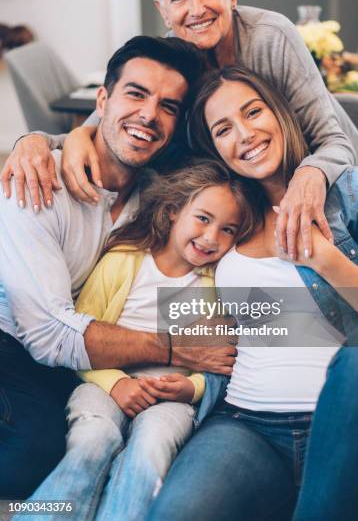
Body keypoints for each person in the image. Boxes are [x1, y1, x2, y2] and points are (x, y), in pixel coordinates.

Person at [1, 0, 358, 262]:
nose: (197, 9)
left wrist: (309, 177)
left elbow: (334, 140)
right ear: (163, 10)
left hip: (328, 173)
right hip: (251, 194)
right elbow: (108, 132)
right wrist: (35, 141)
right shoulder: (170, 61)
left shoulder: (272, 36)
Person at [147, 66, 358, 521]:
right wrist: (46, 141)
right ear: (214, 148)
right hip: (249, 425)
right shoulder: (227, 209)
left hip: (350, 423)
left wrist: (325, 260)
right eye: (224, 129)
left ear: (282, 113)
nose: (244, 134)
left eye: (253, 112)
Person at [0, 36, 237, 499]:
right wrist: (176, 349)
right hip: (12, 335)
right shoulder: (38, 183)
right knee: (29, 466)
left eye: (168, 106)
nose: (150, 114)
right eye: (135, 94)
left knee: (73, 444)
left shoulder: (160, 197)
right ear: (102, 100)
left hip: (65, 348)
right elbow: (48, 334)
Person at [20, 160, 259, 521]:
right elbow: (79, 339)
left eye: (228, 229)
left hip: (171, 398)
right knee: (93, 440)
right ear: (174, 212)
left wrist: (189, 389)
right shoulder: (123, 262)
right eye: (203, 219)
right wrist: (116, 384)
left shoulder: (216, 286)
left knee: (151, 449)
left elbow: (219, 362)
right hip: (103, 382)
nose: (211, 238)